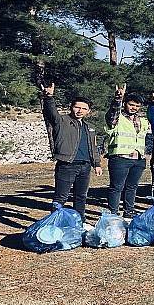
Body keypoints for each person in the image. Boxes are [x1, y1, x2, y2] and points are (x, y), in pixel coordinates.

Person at [40, 83, 102, 227]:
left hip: (85, 166)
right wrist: (49, 97)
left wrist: (96, 164)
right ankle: (54, 223)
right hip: (67, 165)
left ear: (88, 111)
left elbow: (93, 146)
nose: (80, 111)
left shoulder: (89, 127)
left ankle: (80, 222)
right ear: (71, 107)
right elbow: (51, 112)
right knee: (61, 197)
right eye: (77, 107)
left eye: (84, 108)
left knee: (81, 196)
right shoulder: (61, 121)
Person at [105, 83, 151, 219]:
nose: (134, 108)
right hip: (120, 158)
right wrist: (118, 99)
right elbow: (113, 113)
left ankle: (129, 211)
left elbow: (148, 138)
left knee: (132, 187)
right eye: (131, 104)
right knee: (116, 187)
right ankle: (113, 214)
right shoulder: (117, 118)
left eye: (137, 106)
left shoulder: (143, 120)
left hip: (138, 159)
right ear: (125, 103)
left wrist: (146, 154)